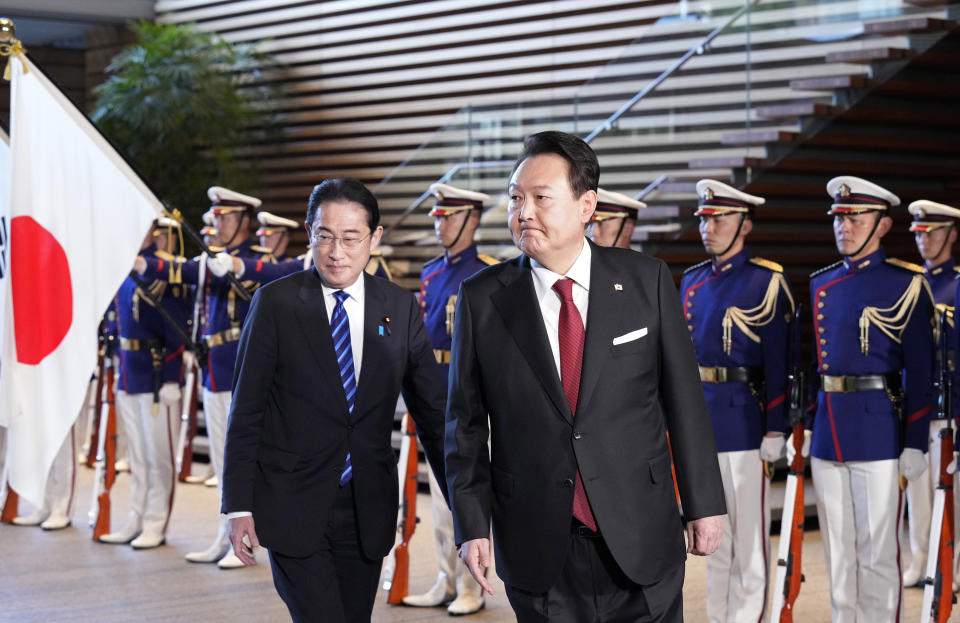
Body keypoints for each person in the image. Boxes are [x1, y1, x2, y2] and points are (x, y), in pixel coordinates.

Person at [445, 130, 726, 622]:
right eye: (515, 198)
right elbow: (465, 427)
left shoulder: (646, 281)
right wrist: (471, 525)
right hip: (538, 546)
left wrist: (704, 502)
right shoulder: (482, 299)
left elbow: (684, 401)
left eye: (540, 198)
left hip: (641, 537)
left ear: (586, 205)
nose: (523, 212)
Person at [221, 177, 449, 623]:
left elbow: (435, 416)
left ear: (374, 238)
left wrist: (468, 507)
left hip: (367, 508)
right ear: (310, 233)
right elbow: (246, 411)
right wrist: (238, 505)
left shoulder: (398, 308)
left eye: (350, 238)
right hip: (292, 503)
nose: (336, 251)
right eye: (324, 236)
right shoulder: (276, 304)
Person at [806, 176, 934, 622]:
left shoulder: (907, 284)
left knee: (878, 553)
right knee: (839, 554)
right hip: (828, 431)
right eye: (839, 217)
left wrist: (916, 439)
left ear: (882, 225)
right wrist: (806, 424)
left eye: (855, 217)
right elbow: (815, 365)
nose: (844, 226)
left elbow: (921, 371)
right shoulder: (821, 284)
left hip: (879, 429)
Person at [133, 186, 278, 568]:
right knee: (221, 459)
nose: (218, 223)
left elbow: (279, 279)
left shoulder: (255, 260)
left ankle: (246, 541)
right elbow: (180, 270)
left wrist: (237, 268)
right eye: (215, 217)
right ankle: (224, 535)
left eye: (226, 217)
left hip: (243, 368)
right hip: (214, 367)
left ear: (245, 221)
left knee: (240, 459)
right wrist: (146, 265)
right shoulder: (212, 259)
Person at [680, 180, 794, 622]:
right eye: (704, 218)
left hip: (747, 423)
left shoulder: (766, 281)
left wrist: (775, 427)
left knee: (748, 539)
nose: (709, 227)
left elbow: (780, 360)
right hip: (704, 425)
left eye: (720, 218)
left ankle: (749, 616)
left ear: (745, 225)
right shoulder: (692, 282)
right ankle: (719, 614)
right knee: (713, 536)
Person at [402, 182, 497, 616]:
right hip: (434, 395)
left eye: (449, 217)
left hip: (472, 398)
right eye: (437, 218)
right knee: (440, 499)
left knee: (468, 496)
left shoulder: (490, 273)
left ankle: (473, 585)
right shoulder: (431, 274)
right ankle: (445, 577)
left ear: (472, 220)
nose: (440, 225)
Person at [99, 218, 189, 549]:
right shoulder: (123, 266)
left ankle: (155, 522)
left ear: (153, 232)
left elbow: (177, 329)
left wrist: (171, 378)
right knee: (137, 455)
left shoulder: (162, 268)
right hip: (129, 372)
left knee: (157, 456)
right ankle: (135, 516)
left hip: (155, 376)